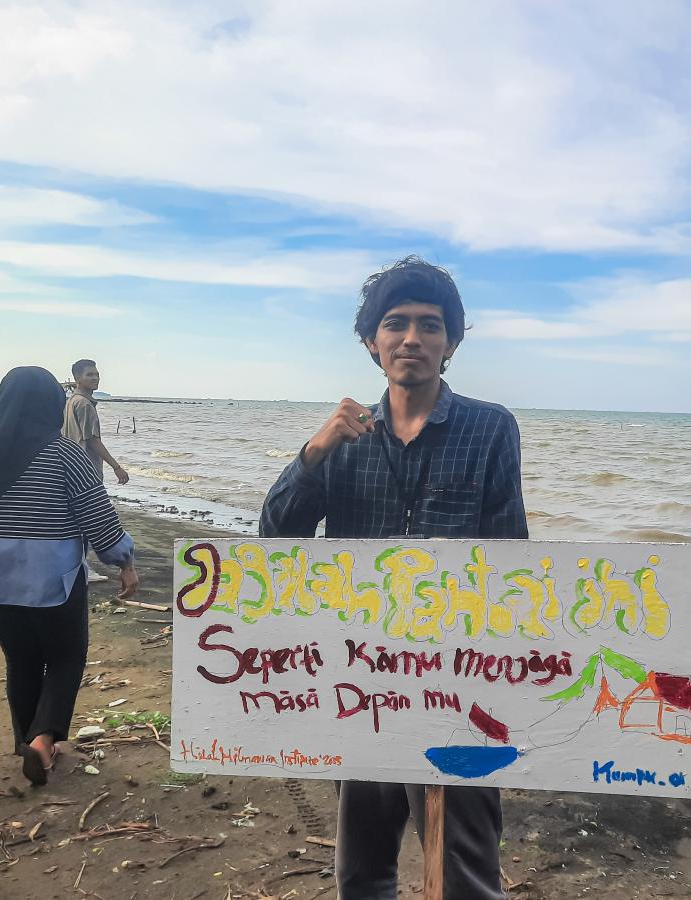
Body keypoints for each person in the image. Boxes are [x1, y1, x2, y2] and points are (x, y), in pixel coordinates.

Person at [260, 256, 527, 900]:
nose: (412, 338)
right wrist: (314, 452)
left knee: (465, 871)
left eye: (430, 325)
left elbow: (511, 557)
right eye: (396, 323)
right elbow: (276, 540)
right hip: (360, 676)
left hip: (459, 679)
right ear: (371, 341)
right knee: (362, 869)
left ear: (451, 343)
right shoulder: (343, 440)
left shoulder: (491, 428)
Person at [0, 366, 140, 786]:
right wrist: (124, 562)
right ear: (50, 405)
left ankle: (28, 741)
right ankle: (42, 740)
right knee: (64, 657)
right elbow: (99, 519)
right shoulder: (65, 455)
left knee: (21, 658)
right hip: (49, 579)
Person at [62, 359, 129, 485]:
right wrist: (116, 467)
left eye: (97, 374)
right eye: (89, 375)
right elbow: (92, 440)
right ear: (77, 378)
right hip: (86, 470)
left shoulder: (71, 401)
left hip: (72, 467)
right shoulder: (84, 404)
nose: (95, 378)